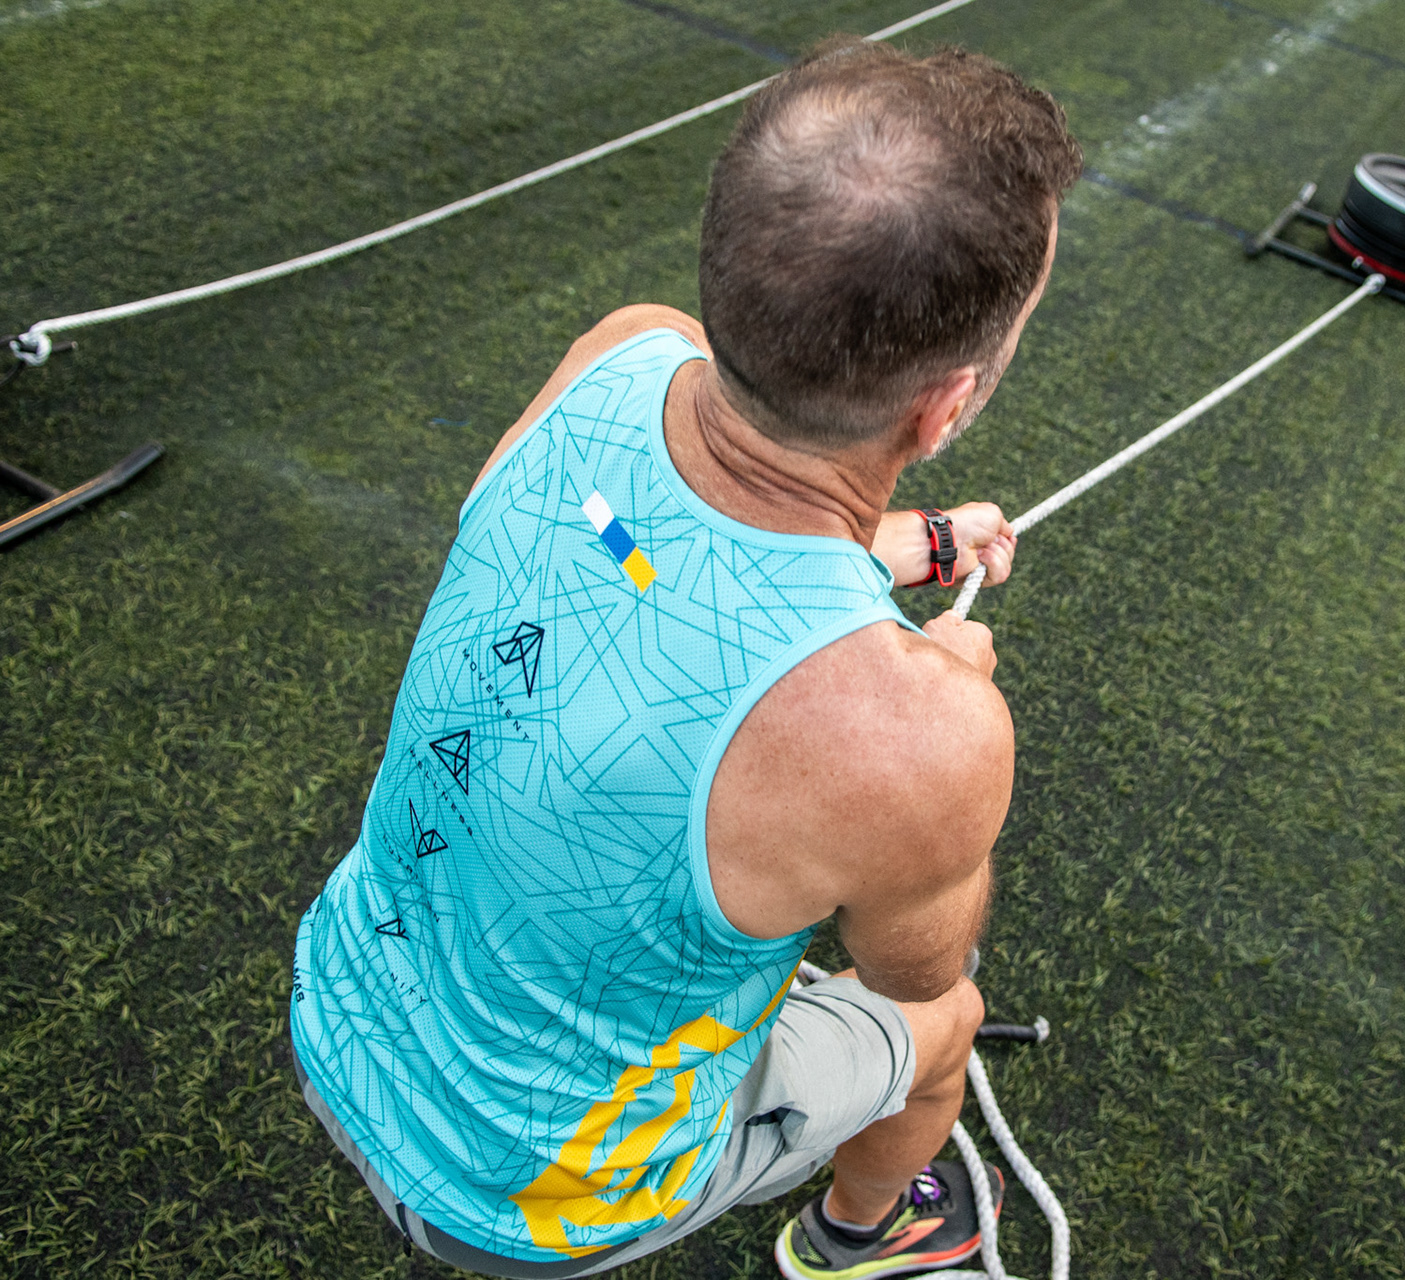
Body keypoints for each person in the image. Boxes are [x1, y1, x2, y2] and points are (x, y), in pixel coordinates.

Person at [289, 37, 1081, 1280]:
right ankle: (859, 1235)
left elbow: (631, 549)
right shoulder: (923, 737)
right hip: (526, 1194)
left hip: (335, 995)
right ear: (944, 407)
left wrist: (919, 545)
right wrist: (941, 707)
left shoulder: (621, 354)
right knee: (943, 1020)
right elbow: (911, 965)